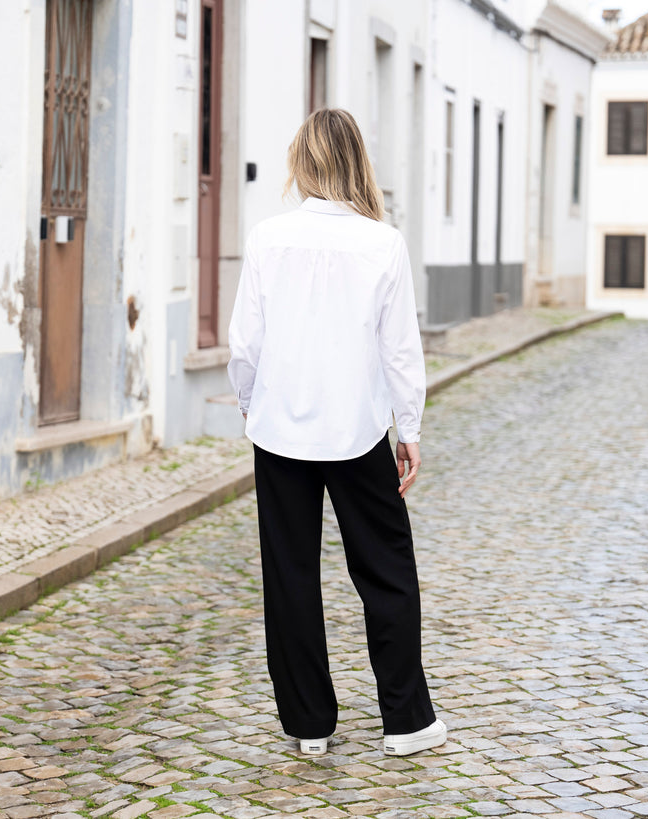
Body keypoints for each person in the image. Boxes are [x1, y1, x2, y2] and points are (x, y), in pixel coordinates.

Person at [227, 108, 446, 757]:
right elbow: (400, 350)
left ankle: (308, 724)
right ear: (356, 162)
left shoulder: (269, 237)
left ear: (302, 161)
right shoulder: (383, 243)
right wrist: (409, 428)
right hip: (357, 430)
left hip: (280, 430)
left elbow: (245, 342)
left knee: (289, 574)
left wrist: (250, 402)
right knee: (386, 569)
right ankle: (406, 720)